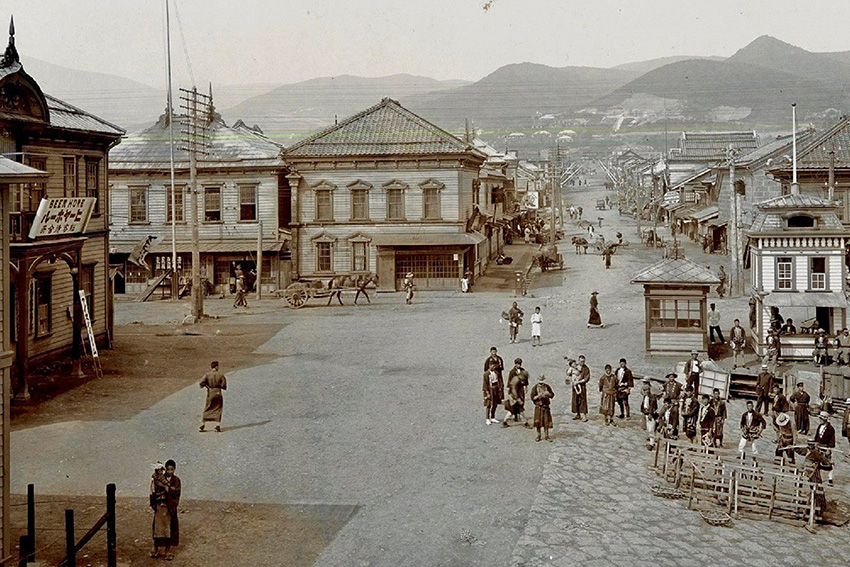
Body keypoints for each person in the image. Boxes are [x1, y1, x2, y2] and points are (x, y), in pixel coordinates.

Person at [150, 459, 181, 560]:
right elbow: (153, 490)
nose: (170, 471)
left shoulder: (176, 480)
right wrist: (154, 504)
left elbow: (176, 492)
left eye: (172, 470)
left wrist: (164, 487)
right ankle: (156, 550)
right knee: (157, 529)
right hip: (160, 507)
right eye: (168, 469)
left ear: (174, 469)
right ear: (165, 469)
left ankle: (167, 552)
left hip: (169, 508)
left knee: (168, 530)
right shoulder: (159, 478)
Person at [795, 440, 830, 513]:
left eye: (811, 445)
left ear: (813, 446)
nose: (809, 446)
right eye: (809, 445)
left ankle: (818, 505)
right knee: (799, 484)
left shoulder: (815, 453)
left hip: (811, 472)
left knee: (814, 488)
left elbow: (824, 461)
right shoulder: (807, 450)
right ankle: (800, 502)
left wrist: (827, 458)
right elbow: (800, 451)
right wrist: (794, 448)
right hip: (805, 471)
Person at [199, 361, 227, 433]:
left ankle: (203, 424)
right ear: (217, 366)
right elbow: (223, 385)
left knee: (208, 407)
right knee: (218, 408)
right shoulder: (220, 375)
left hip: (210, 393)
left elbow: (201, 383)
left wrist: (207, 386)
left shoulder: (207, 375)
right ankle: (217, 425)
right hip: (218, 393)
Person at [504, 358, 530, 428]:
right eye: (517, 364)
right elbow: (510, 381)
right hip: (514, 391)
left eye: (519, 364)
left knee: (516, 409)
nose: (518, 365)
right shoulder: (512, 372)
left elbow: (526, 380)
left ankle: (505, 421)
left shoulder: (522, 370)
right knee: (518, 408)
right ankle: (525, 423)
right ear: (515, 364)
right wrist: (509, 391)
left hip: (521, 390)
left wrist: (526, 387)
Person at [813, 411, 836, 485]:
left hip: (826, 448)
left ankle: (830, 479)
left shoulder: (830, 429)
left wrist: (829, 449)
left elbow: (832, 440)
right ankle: (816, 478)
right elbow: (816, 437)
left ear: (825, 419)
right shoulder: (819, 426)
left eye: (821, 418)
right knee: (816, 463)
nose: (820, 420)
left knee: (828, 464)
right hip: (818, 447)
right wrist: (815, 444)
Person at [530, 375, 555, 442]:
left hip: (546, 407)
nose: (541, 383)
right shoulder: (535, 388)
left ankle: (547, 436)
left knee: (546, 422)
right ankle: (538, 436)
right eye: (540, 381)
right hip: (538, 407)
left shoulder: (547, 386)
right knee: (538, 422)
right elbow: (532, 397)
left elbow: (552, 395)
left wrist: (548, 394)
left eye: (542, 381)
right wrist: (539, 395)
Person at [639, 378, 659, 449]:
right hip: (646, 413)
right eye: (644, 390)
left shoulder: (652, 397)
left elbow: (653, 407)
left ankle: (652, 443)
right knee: (648, 428)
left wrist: (650, 414)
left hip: (651, 415)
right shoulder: (645, 397)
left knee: (651, 429)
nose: (645, 392)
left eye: (646, 390)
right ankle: (651, 441)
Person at [570, 356, 590, 421]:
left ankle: (583, 415)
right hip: (575, 385)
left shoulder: (586, 368)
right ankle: (577, 414)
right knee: (575, 400)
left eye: (583, 361)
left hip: (582, 386)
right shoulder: (575, 366)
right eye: (581, 361)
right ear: (578, 360)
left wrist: (578, 381)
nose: (582, 362)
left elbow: (586, 378)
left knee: (582, 400)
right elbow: (570, 373)